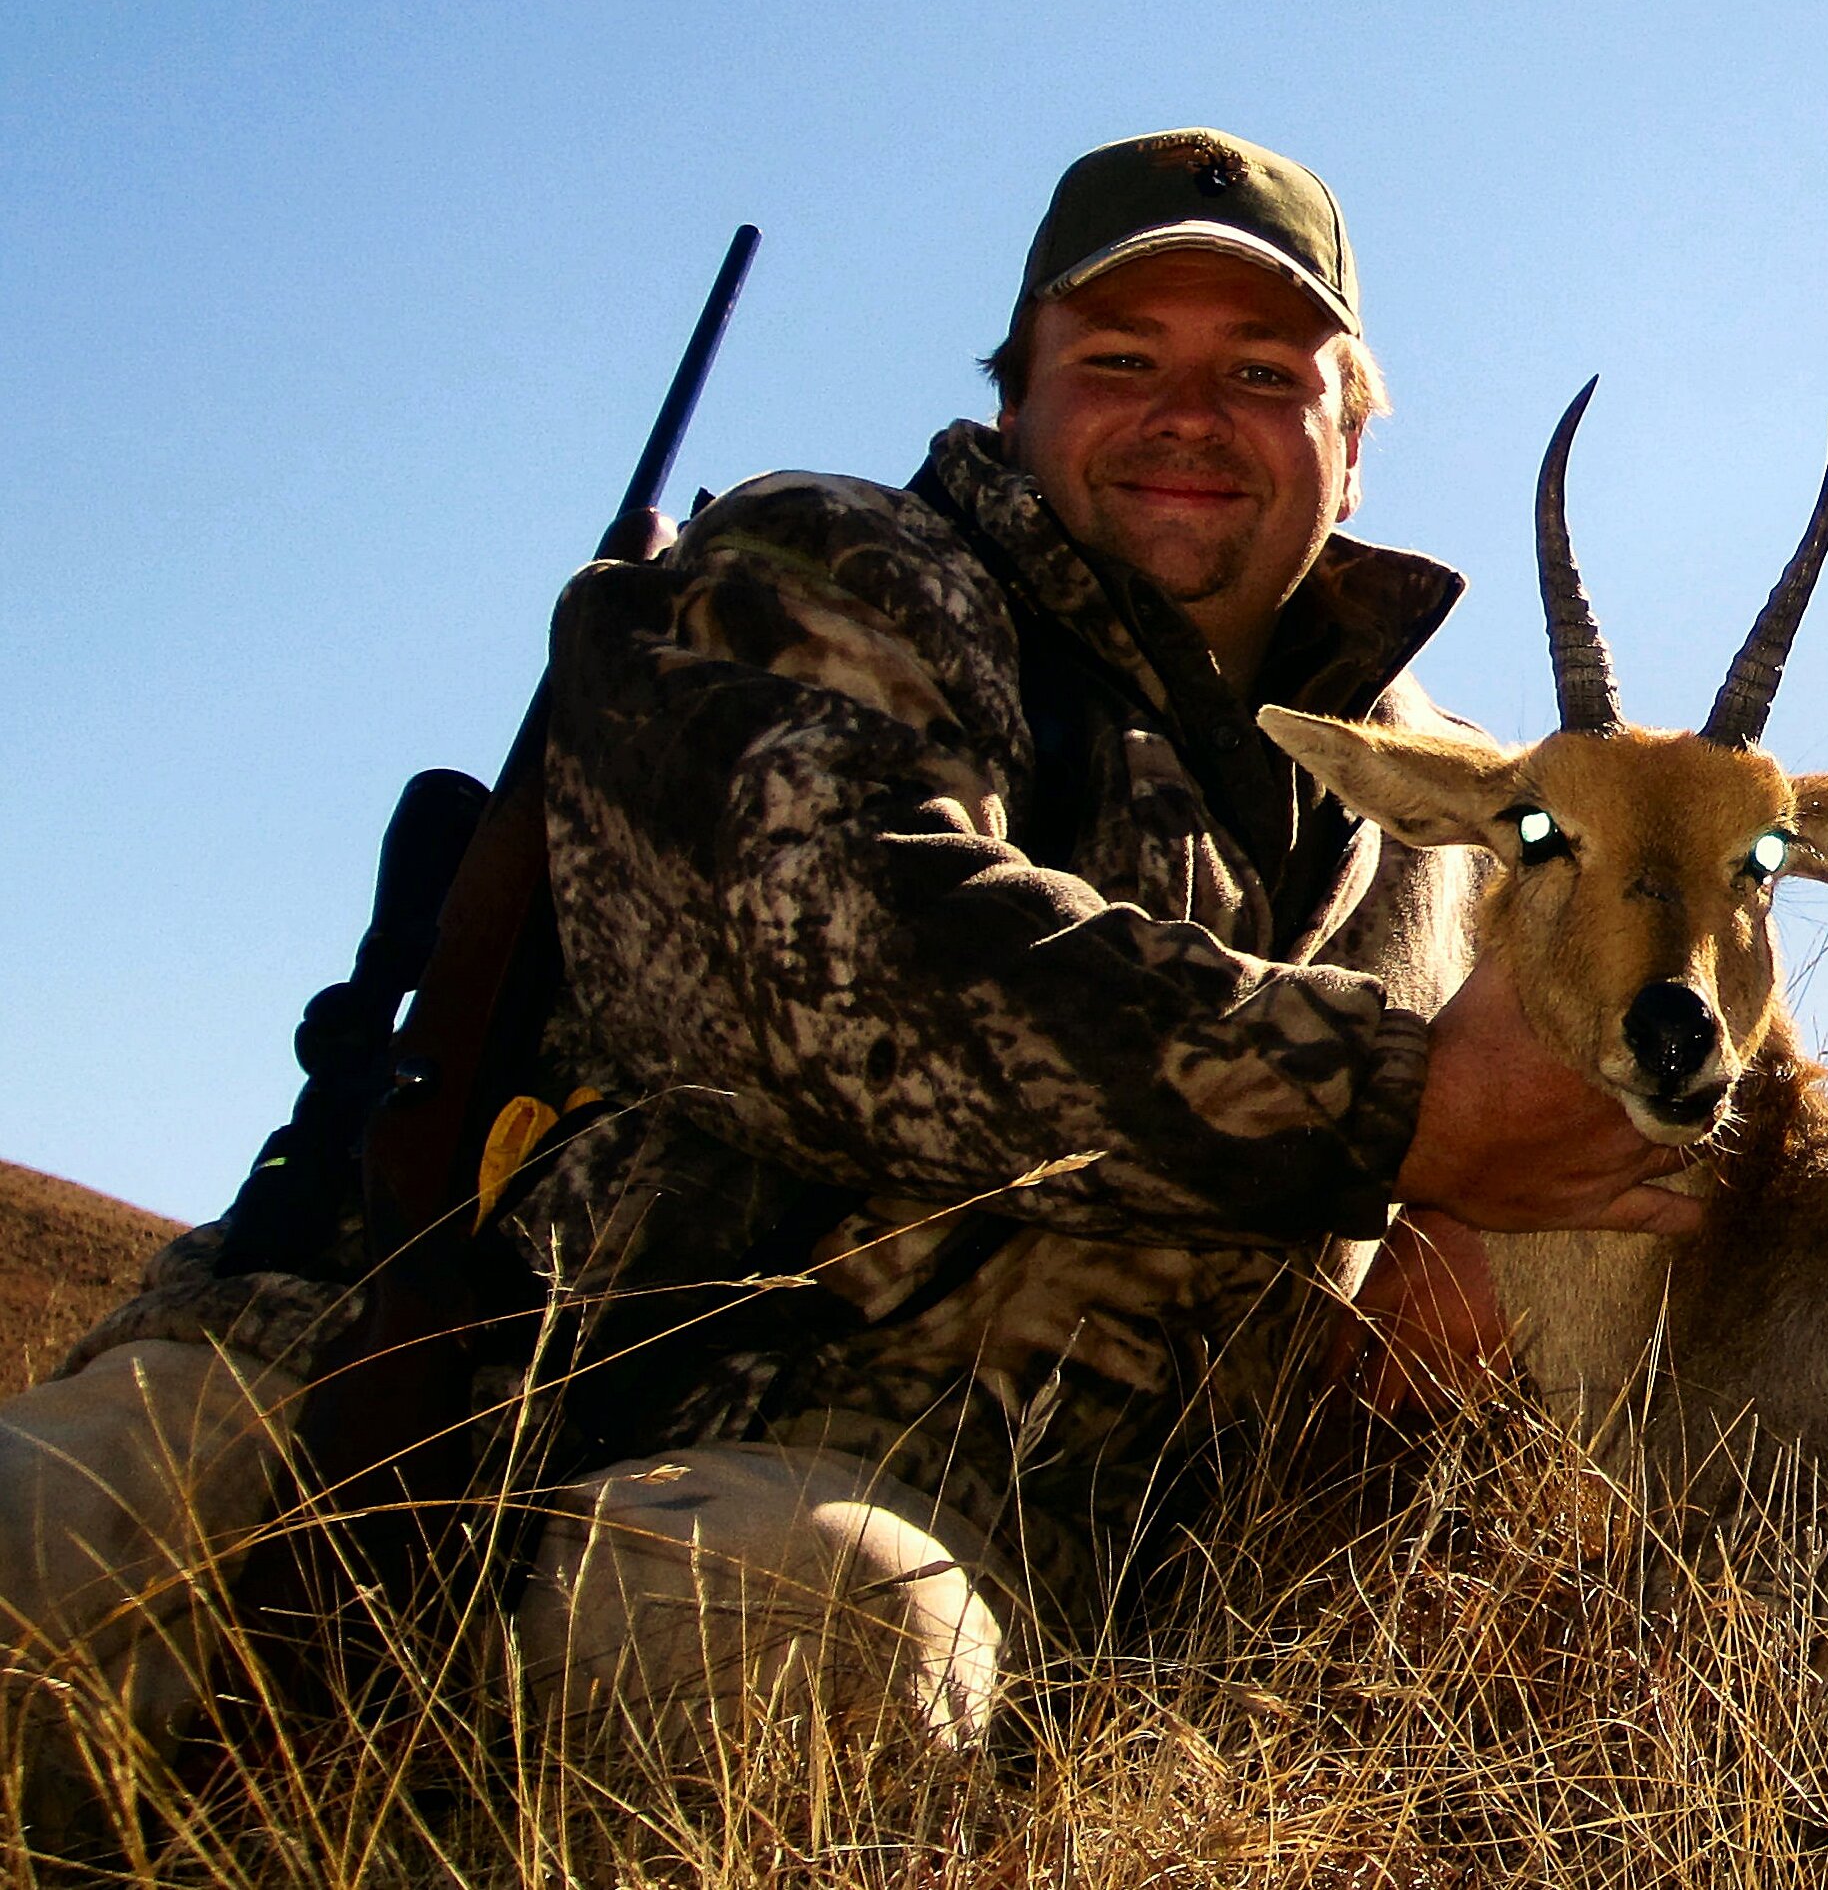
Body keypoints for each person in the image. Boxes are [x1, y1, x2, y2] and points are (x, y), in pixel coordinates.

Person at [1, 128, 1692, 1770]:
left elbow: (1637, 1103)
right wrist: (1398, 1111)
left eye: (1264, 369)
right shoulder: (837, 564)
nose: (1190, 412)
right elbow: (847, 949)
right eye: (1117, 356)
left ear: (1355, 430)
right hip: (424, 1376)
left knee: (820, 1632)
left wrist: (1495, 1234)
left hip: (928, 1525)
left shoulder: (1469, 807)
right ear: (1011, 399)